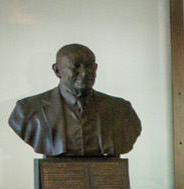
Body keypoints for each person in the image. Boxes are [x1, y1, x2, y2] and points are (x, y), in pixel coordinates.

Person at [8, 43, 142, 157]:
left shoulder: (121, 109)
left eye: (89, 66)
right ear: (57, 70)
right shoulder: (27, 110)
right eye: (75, 66)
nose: (84, 72)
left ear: (96, 68)